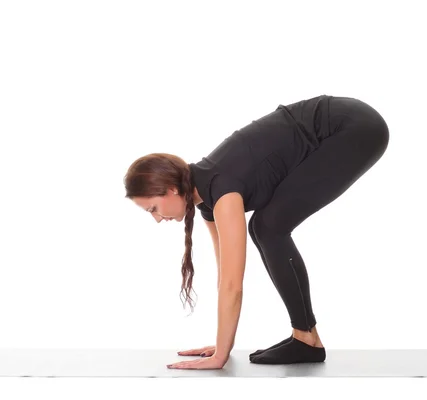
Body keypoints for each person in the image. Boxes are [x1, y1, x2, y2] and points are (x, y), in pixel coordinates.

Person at [124, 94, 390, 369]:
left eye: (152, 209)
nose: (156, 219)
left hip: (355, 128)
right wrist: (221, 342)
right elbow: (225, 275)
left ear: (171, 190)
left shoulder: (221, 189)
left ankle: (306, 339)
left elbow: (232, 286)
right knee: (266, 226)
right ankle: (306, 338)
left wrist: (220, 357)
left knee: (269, 227)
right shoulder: (206, 199)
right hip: (345, 125)